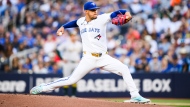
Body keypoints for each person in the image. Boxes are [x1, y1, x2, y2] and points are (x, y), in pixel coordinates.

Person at [30, 1, 150, 103]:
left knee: (124, 68)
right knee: (71, 80)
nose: (95, 12)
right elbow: (73, 23)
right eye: (92, 10)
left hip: (103, 58)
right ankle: (44, 87)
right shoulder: (81, 21)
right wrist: (63, 27)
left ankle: (135, 96)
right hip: (88, 59)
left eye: (96, 9)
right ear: (86, 11)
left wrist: (127, 14)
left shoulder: (102, 18)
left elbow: (119, 11)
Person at [57, 31, 82, 96]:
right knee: (66, 78)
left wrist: (81, 59)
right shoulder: (66, 43)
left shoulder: (79, 44)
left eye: (74, 36)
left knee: (75, 78)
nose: (73, 37)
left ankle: (74, 94)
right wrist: (62, 58)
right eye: (72, 36)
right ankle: (65, 94)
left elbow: (84, 52)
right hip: (67, 63)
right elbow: (57, 50)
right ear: (70, 37)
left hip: (76, 62)